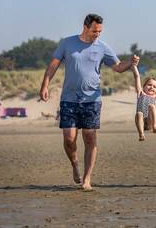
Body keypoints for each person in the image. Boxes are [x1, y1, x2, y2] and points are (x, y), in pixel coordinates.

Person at [39, 13, 136, 191]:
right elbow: (53, 65)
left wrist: (130, 63)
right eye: (94, 31)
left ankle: (87, 178)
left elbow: (118, 67)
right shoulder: (67, 43)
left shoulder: (102, 47)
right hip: (69, 99)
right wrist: (45, 84)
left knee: (90, 137)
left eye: (99, 31)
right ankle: (75, 163)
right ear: (85, 27)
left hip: (92, 99)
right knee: (69, 139)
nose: (97, 34)